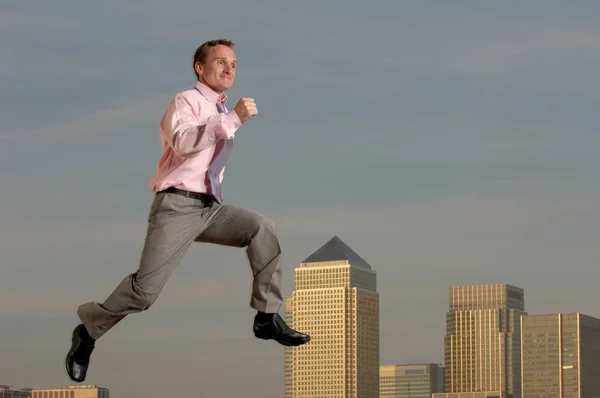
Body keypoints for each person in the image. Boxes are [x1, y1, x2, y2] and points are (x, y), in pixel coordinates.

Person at [65, 38, 311, 383]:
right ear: (200, 67)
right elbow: (182, 142)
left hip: (210, 209)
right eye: (220, 62)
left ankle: (266, 317)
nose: (229, 69)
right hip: (176, 207)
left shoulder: (220, 109)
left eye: (234, 64)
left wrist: (229, 118)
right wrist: (234, 119)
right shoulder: (187, 101)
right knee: (143, 294)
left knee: (262, 227)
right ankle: (87, 332)